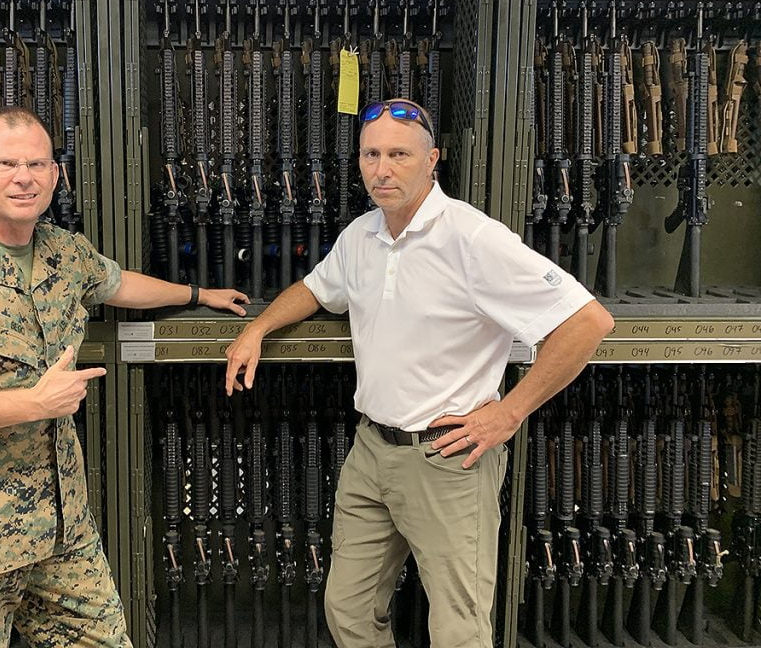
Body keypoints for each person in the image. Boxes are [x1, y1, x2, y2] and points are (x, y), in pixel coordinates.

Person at [224, 98, 613, 648]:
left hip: (447, 459)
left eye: (399, 155)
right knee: (348, 609)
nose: (382, 170)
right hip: (372, 452)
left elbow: (588, 322)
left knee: (458, 629)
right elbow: (315, 289)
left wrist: (508, 414)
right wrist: (259, 327)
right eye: (371, 155)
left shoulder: (471, 238)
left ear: (432, 160)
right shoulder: (362, 235)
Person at [0, 106, 248, 648]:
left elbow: (118, 283)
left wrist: (199, 294)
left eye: (37, 164)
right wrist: (34, 403)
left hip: (60, 534)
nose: (24, 177)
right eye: (7, 164)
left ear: (55, 174)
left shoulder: (64, 254)